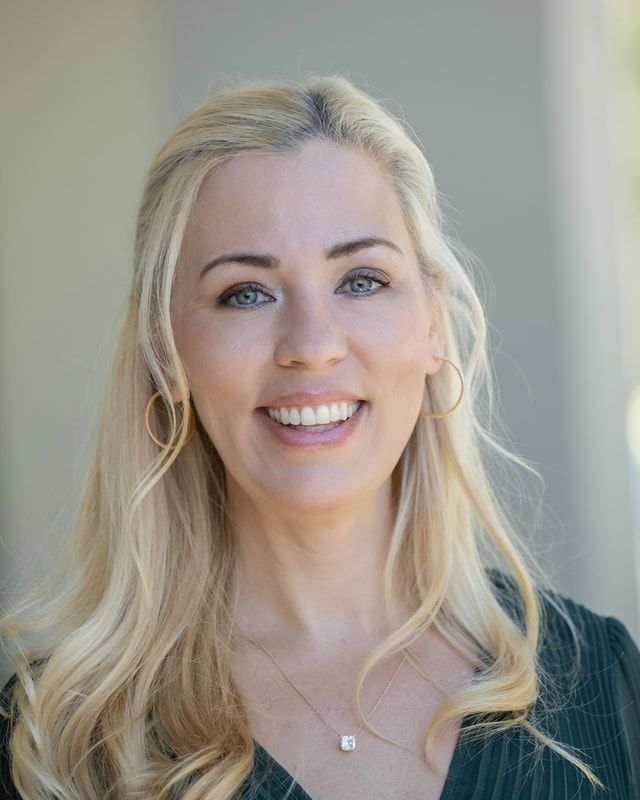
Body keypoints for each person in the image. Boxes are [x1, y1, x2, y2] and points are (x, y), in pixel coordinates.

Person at [1, 73, 638, 800]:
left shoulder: (607, 685)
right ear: (165, 352)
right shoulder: (56, 739)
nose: (311, 344)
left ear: (433, 324)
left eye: (361, 280)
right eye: (246, 292)